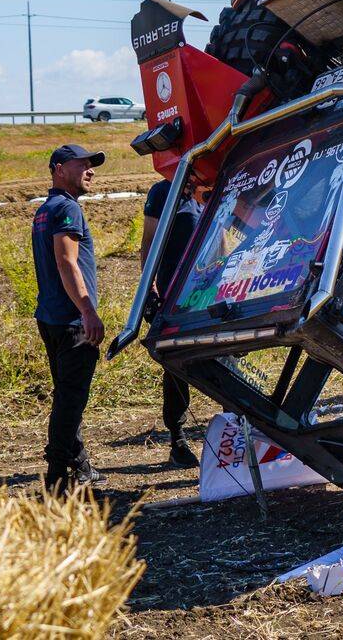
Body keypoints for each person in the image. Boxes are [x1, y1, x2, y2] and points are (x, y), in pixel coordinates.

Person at [32, 143, 108, 492]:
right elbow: (66, 261)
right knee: (71, 400)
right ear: (59, 169)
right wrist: (88, 311)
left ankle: (80, 464)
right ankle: (57, 479)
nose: (90, 171)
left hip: (51, 316)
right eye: (82, 165)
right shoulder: (67, 208)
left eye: (92, 165)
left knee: (66, 395)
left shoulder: (45, 209)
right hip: (71, 320)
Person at [141, 175, 206, 467]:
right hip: (174, 293)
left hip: (208, 291)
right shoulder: (164, 191)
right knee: (177, 364)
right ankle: (177, 438)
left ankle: (236, 430)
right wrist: (150, 290)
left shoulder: (210, 187)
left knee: (224, 354)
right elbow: (149, 243)